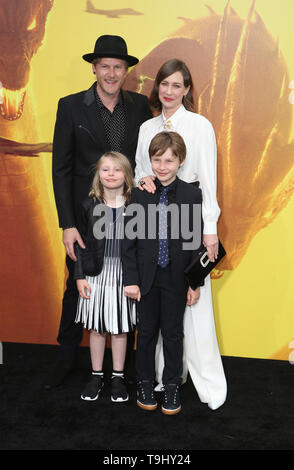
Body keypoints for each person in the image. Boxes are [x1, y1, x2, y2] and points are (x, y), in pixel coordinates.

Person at [47, 35, 153, 390]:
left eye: (118, 67)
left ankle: (127, 371)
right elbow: (61, 169)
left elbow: (145, 162)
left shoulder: (139, 106)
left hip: (129, 216)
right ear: (94, 68)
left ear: (127, 72)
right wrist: (67, 224)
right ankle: (65, 362)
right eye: (105, 66)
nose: (111, 72)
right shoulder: (71, 106)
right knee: (77, 288)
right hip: (84, 219)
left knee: (130, 284)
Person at [134, 59, 227, 410]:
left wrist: (210, 230)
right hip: (152, 232)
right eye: (164, 84)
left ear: (187, 89)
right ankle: (158, 376)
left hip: (189, 231)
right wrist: (142, 179)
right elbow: (142, 173)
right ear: (156, 88)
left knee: (193, 306)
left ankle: (201, 378)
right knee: (155, 315)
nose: (169, 91)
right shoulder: (146, 128)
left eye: (177, 85)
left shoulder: (200, 126)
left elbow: (207, 181)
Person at [122, 131, 202, 415]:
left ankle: (171, 385)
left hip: (177, 277)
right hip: (146, 277)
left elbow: (194, 241)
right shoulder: (139, 193)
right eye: (157, 160)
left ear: (180, 161)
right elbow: (128, 241)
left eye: (169, 160)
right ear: (150, 160)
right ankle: (144, 381)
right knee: (145, 333)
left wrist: (195, 283)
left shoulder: (193, 194)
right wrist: (130, 279)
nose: (163, 166)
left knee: (172, 333)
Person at [74, 151, 135, 402]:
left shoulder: (136, 205)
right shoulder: (89, 205)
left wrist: (137, 277)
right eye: (106, 169)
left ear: (127, 175)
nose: (111, 174)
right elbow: (79, 244)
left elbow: (141, 244)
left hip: (124, 274)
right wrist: (79, 276)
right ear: (98, 174)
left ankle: (118, 377)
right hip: (95, 275)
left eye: (117, 169)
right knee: (97, 328)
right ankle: (97, 375)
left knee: (120, 328)